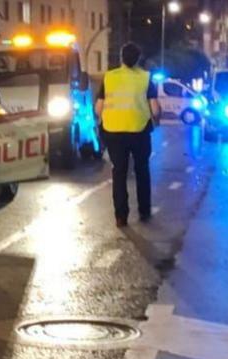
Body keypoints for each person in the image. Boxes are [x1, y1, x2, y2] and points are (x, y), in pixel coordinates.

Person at [96, 42, 160, 226]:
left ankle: (121, 216)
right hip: (139, 132)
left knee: (119, 173)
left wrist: (103, 120)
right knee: (142, 170)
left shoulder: (109, 77)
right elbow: (154, 109)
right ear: (139, 59)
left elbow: (98, 108)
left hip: (113, 132)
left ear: (121, 58)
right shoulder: (146, 78)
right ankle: (144, 211)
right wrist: (157, 119)